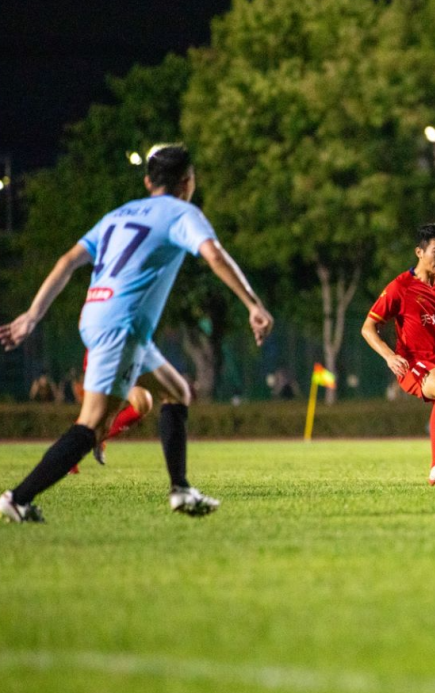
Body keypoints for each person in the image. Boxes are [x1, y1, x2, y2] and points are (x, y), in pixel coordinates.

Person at [0, 143, 273, 523]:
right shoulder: (182, 212)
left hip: (96, 315)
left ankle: (180, 490)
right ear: (187, 182)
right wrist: (253, 304)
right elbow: (214, 255)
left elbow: (67, 261)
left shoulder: (117, 215)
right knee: (92, 425)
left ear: (147, 180)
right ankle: (16, 498)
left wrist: (32, 315)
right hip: (121, 325)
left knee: (175, 391)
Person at [361, 223, 435, 486]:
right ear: (419, 252)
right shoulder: (400, 287)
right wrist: (389, 356)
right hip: (414, 365)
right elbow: (368, 328)